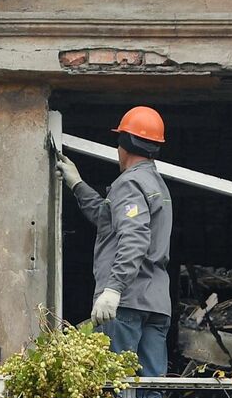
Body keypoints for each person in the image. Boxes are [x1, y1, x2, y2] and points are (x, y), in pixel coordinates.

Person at [58, 106, 174, 377]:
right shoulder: (157, 184)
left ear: (123, 144)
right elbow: (108, 219)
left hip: (126, 303)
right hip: (156, 304)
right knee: (150, 389)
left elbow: (134, 236)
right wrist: (77, 184)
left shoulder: (129, 183)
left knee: (116, 386)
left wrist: (114, 289)